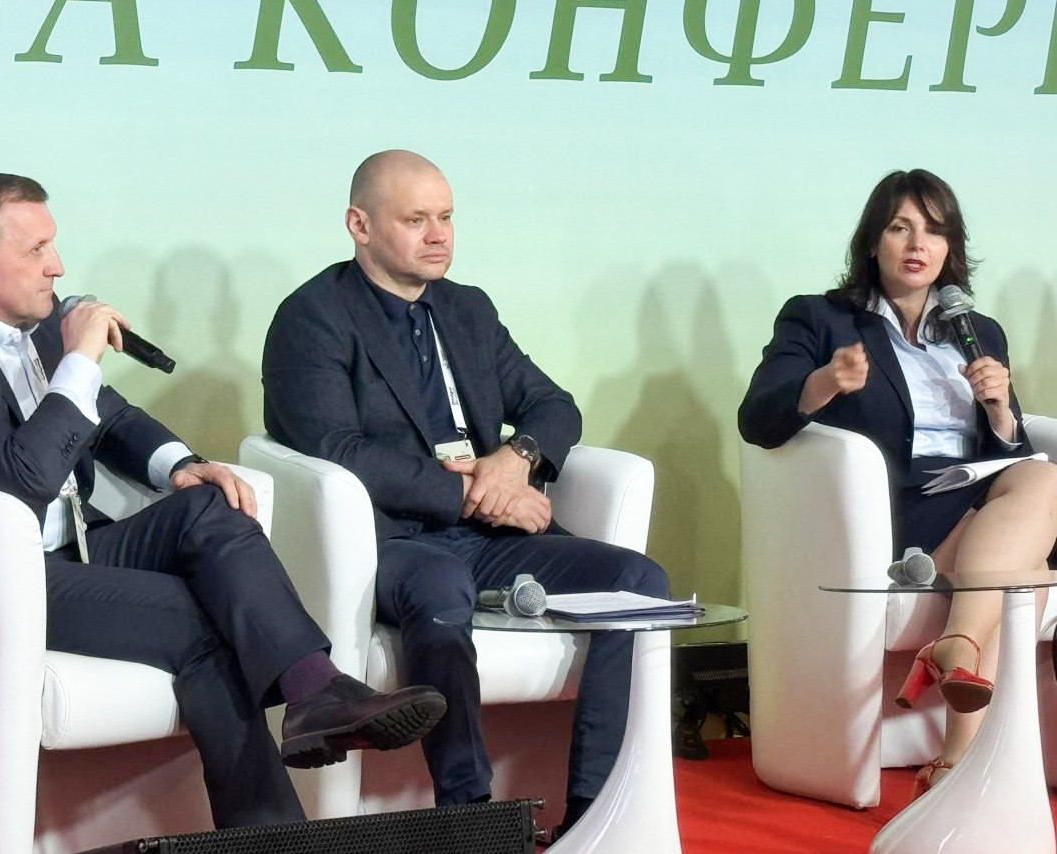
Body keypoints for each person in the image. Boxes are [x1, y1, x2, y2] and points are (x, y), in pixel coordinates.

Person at [0, 173, 447, 829]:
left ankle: (318, 693)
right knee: (204, 620)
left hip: (72, 546)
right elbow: (26, 476)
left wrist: (183, 467)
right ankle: (271, 830)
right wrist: (82, 359)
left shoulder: (29, 324)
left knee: (210, 506)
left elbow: (109, 418)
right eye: (37, 250)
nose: (57, 266)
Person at [261, 150, 670, 833]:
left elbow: (553, 405)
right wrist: (476, 493)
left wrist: (516, 459)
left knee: (638, 582)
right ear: (360, 225)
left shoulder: (467, 309)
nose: (438, 235)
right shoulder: (314, 317)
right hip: (393, 540)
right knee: (440, 588)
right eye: (415, 220)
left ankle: (591, 816)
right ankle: (469, 816)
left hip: (490, 536)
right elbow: (337, 450)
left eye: (446, 217)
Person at [738, 169, 1057, 796]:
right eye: (900, 228)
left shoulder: (978, 330)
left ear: (949, 247)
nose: (917, 245)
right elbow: (757, 419)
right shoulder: (821, 319)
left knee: (1032, 525)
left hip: (974, 508)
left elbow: (1011, 455)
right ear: (872, 242)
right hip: (892, 515)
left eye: (934, 232)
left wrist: (999, 411)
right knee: (1033, 540)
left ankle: (954, 743)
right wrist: (824, 383)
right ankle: (959, 729)